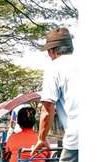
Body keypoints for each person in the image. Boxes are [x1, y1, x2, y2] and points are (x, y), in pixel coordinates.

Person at [31, 27, 79, 162]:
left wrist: (41, 139)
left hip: (77, 139)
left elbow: (47, 109)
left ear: (51, 51)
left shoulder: (54, 67)